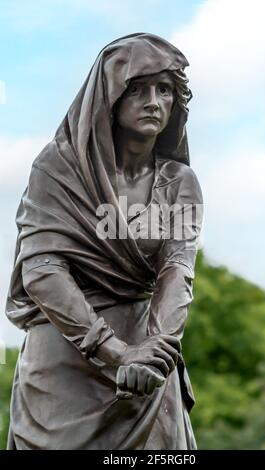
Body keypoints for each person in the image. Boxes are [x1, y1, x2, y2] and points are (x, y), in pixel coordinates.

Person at [5, 33, 203, 450]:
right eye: (137, 88)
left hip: (145, 364)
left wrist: (154, 350)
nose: (153, 101)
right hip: (66, 361)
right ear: (109, 97)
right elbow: (42, 269)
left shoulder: (178, 183)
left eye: (164, 89)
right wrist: (113, 352)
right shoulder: (58, 169)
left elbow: (177, 269)